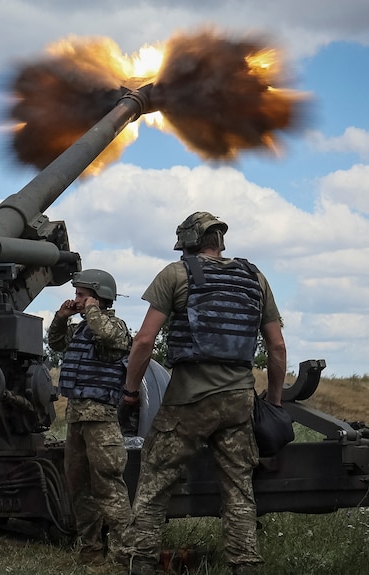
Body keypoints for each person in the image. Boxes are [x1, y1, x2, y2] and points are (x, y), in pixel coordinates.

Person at [119, 212, 286, 575]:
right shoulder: (254, 277)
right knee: (239, 488)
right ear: (219, 241)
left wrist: (131, 391)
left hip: (189, 399)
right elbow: (277, 348)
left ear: (189, 242)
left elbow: (144, 340)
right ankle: (246, 566)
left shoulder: (176, 274)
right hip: (240, 400)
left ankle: (143, 562)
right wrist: (272, 404)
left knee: (154, 476)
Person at [47, 269, 133, 566]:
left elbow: (108, 337)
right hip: (76, 420)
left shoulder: (114, 326)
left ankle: (125, 555)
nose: (76, 300)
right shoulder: (83, 330)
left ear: (99, 298)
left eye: (82, 295)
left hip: (102, 422)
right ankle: (91, 551)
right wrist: (61, 317)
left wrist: (93, 311)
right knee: (79, 487)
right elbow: (56, 344)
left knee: (108, 487)